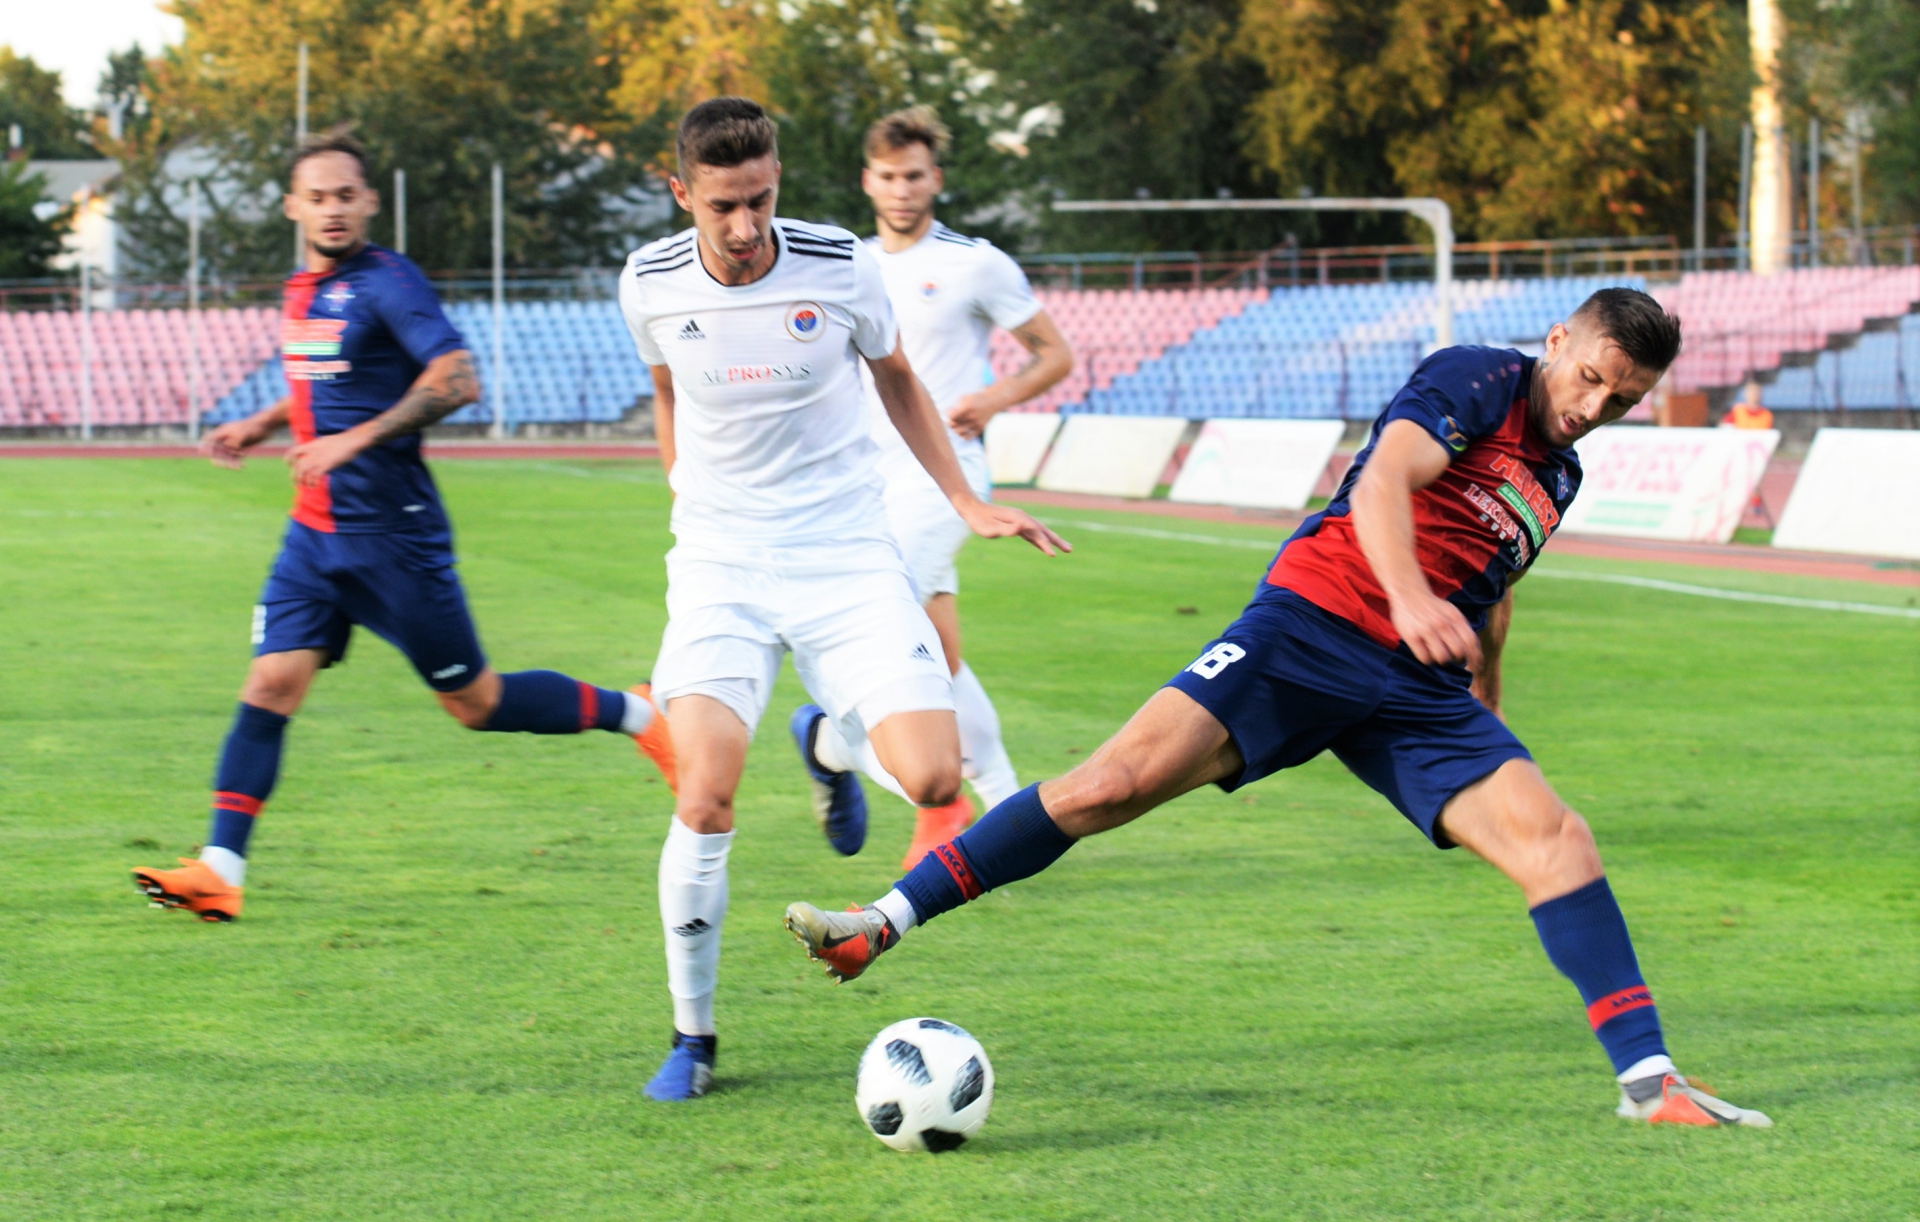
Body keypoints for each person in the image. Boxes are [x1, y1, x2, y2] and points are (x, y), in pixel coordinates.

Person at [787, 288, 1773, 1128]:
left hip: (1421, 689)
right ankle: (880, 923)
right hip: (1311, 628)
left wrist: (1489, 698)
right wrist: (1411, 598)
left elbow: (1494, 585)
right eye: (1591, 377)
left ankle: (1650, 1082)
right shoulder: (1479, 377)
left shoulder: (1560, 474)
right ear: (1558, 341)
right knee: (1109, 784)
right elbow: (1384, 482)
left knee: (1558, 839)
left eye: (1623, 399)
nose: (1595, 407)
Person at [618, 98, 1067, 1101]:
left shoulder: (840, 264)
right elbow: (667, 385)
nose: (746, 226)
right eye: (724, 205)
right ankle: (693, 1036)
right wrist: (685, 491)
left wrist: (966, 501)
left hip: (846, 555)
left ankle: (828, 742)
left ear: (779, 178)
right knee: (704, 794)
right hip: (722, 565)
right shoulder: (647, 279)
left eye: (761, 199)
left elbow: (897, 377)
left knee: (938, 775)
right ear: (683, 193)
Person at [133, 129, 675, 924]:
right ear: (292, 207)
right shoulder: (302, 289)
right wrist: (261, 423)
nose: (332, 209)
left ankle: (642, 715)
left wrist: (350, 442)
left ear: (369, 202)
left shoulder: (391, 282)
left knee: (476, 703)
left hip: (394, 538)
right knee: (271, 682)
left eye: (346, 195)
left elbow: (456, 379)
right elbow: (326, 382)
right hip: (313, 537)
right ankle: (221, 868)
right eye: (317, 197)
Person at [850, 106, 1077, 870]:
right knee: (940, 656)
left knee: (883, 626)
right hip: (868, 480)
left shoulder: (976, 264)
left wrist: (994, 398)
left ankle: (872, 767)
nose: (902, 189)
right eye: (889, 176)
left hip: (947, 481)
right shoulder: (851, 264)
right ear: (868, 181)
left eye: (914, 176)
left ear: (935, 179)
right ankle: (1008, 809)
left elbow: (1054, 354)